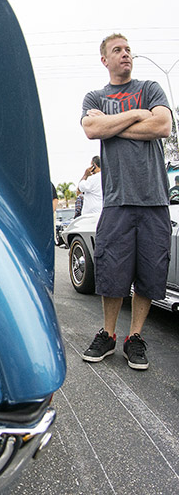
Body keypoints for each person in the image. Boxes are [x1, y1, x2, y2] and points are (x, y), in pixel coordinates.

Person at [80, 34, 172, 371]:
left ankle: (135, 338)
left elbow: (162, 124)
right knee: (112, 273)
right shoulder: (96, 96)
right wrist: (136, 114)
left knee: (149, 273)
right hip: (117, 201)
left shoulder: (151, 88)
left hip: (154, 199)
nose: (126, 54)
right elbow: (91, 129)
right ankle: (108, 334)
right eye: (117, 50)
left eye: (128, 49)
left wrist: (112, 127)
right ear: (104, 59)